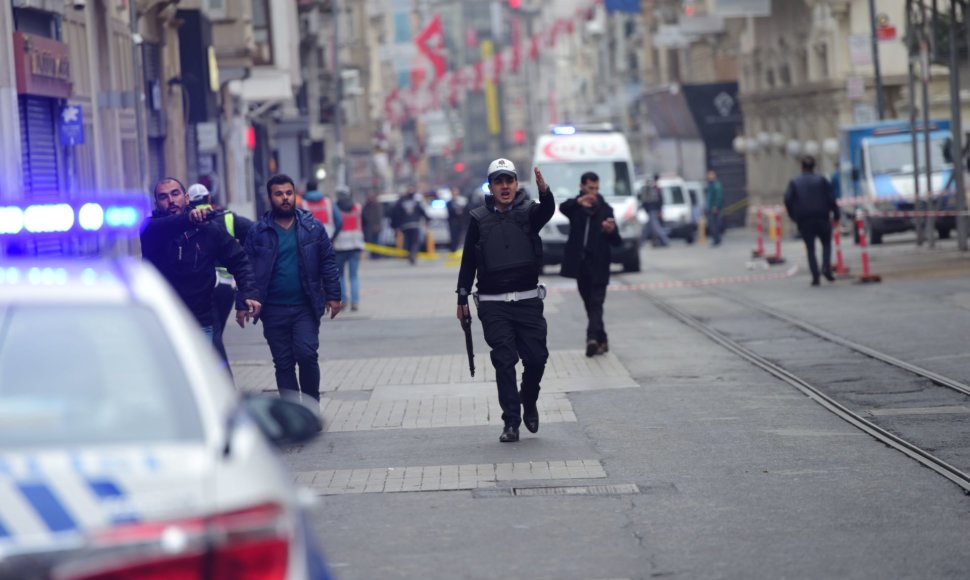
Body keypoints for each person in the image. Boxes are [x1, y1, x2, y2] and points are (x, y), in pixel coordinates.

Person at [456, 159, 555, 443]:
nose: (504, 187)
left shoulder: (529, 213)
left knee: (537, 359)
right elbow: (468, 262)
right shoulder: (478, 219)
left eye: (509, 181)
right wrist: (462, 295)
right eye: (498, 182)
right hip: (493, 303)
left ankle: (529, 398)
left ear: (516, 184)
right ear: (491, 186)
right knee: (504, 361)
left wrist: (544, 191)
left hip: (527, 302)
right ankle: (511, 421)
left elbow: (547, 210)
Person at [245, 174, 343, 404]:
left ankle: (310, 407)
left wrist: (334, 295)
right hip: (272, 309)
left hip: (305, 306)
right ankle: (292, 414)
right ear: (270, 197)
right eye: (278, 194)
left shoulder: (312, 228)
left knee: (307, 355)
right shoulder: (258, 231)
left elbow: (328, 261)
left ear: (295, 195)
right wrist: (244, 300)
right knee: (283, 363)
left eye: (288, 193)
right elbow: (246, 268)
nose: (285, 198)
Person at [141, 177, 261, 345]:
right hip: (164, 322)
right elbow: (165, 226)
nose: (171, 200)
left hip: (201, 321)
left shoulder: (209, 229)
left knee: (209, 366)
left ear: (187, 198)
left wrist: (247, 294)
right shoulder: (151, 229)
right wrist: (189, 219)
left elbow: (239, 260)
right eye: (163, 197)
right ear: (156, 203)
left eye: (175, 194)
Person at [185, 182, 255, 378]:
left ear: (187, 201)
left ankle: (222, 384)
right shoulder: (228, 218)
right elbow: (255, 232)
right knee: (214, 334)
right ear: (209, 198)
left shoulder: (186, 220)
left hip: (204, 286)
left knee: (212, 336)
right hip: (226, 286)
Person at [559, 172, 622, 357]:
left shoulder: (606, 209)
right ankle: (602, 339)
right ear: (582, 187)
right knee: (589, 304)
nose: (593, 193)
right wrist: (579, 202)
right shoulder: (575, 208)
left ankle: (591, 338)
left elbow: (617, 241)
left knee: (596, 303)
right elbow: (563, 207)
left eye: (596, 189)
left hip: (600, 265)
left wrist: (611, 230)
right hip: (581, 266)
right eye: (589, 188)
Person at [784, 155, 840, 286]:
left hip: (804, 220)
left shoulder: (794, 182)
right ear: (814, 167)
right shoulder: (821, 180)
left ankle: (815, 276)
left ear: (802, 167)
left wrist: (793, 216)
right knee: (826, 243)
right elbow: (832, 199)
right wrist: (836, 215)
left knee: (810, 248)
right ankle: (826, 267)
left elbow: (788, 200)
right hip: (822, 217)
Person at [332, 186, 365, 311]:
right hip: (356, 244)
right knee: (353, 276)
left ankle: (343, 300)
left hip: (340, 245)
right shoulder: (357, 207)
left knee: (339, 275)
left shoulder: (335, 208)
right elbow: (364, 222)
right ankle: (355, 302)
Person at [390, 186, 428, 264]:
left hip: (406, 225)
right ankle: (412, 254)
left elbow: (395, 214)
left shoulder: (401, 202)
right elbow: (422, 211)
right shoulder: (415, 201)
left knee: (408, 241)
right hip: (414, 224)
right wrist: (427, 219)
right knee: (415, 241)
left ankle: (411, 254)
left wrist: (395, 226)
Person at [642, 174, 669, 247]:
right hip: (653, 210)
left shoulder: (649, 189)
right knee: (648, 228)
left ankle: (665, 241)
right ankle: (641, 243)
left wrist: (658, 210)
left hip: (652, 210)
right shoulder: (654, 188)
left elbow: (646, 201)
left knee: (656, 227)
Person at [361, 191, 384, 259]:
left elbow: (379, 216)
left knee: (376, 241)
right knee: (371, 242)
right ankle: (373, 254)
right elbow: (364, 216)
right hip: (368, 228)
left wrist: (377, 225)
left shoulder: (377, 205)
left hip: (375, 227)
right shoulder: (366, 205)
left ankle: (376, 255)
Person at [705, 169, 724, 246]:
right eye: (708, 174)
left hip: (714, 209)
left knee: (714, 225)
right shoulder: (711, 185)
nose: (709, 176)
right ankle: (715, 239)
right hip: (710, 208)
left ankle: (717, 239)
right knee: (712, 225)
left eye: (711, 174)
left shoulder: (716, 185)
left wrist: (715, 206)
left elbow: (719, 196)